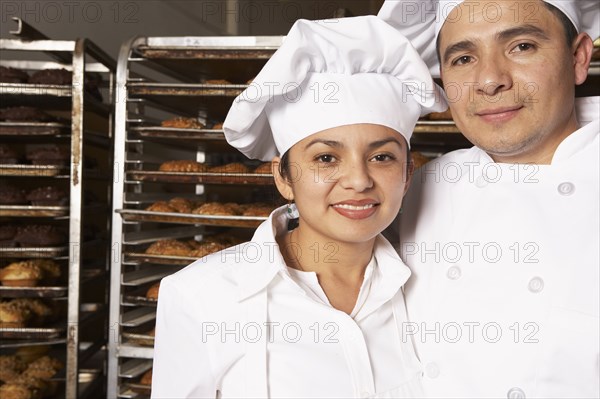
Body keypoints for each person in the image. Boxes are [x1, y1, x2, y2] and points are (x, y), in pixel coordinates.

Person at [151, 16, 446, 398]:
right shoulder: (201, 296)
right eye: (326, 158)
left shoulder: (433, 288)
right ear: (283, 178)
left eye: (382, 157)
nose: (358, 180)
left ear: (408, 174)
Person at [378, 1, 599, 397]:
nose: (489, 81)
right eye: (463, 58)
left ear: (579, 57)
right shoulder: (415, 189)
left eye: (522, 47)